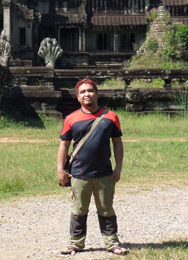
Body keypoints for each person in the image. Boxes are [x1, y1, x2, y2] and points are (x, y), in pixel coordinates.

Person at [58, 79, 128, 256]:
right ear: (78, 97)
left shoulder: (110, 117)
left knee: (106, 209)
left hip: (104, 173)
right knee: (79, 210)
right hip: (79, 174)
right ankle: (75, 244)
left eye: (90, 91)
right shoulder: (71, 119)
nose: (87, 94)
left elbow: (118, 144)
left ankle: (112, 243)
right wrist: (61, 169)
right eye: (82, 92)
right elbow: (64, 145)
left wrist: (118, 168)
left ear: (97, 94)